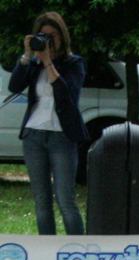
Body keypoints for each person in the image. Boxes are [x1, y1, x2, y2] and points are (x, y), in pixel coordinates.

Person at [8, 11, 87, 236]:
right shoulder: (33, 64)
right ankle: (48, 253)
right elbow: (15, 86)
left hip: (61, 135)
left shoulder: (74, 63)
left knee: (65, 200)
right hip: (34, 134)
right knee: (42, 202)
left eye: (52, 36)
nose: (48, 40)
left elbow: (67, 94)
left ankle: (77, 251)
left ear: (62, 37)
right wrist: (26, 57)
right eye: (43, 35)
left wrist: (48, 62)